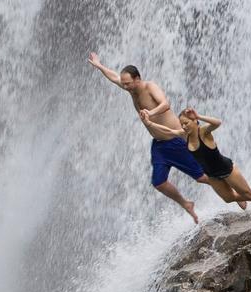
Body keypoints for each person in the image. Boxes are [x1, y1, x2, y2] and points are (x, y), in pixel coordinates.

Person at [87, 52, 215, 224]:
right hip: (159, 145)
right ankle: (187, 204)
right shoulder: (130, 90)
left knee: (201, 177)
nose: (125, 87)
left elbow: (165, 104)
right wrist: (99, 65)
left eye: (128, 84)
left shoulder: (149, 87)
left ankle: (231, 187)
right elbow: (113, 77)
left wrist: (150, 112)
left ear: (137, 79)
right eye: (124, 84)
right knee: (159, 182)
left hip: (175, 140)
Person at [142, 107, 251, 229]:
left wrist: (199, 116)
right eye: (182, 124)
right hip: (212, 175)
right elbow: (168, 130)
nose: (184, 126)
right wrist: (149, 123)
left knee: (248, 194)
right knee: (229, 198)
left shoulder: (204, 132)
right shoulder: (184, 135)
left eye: (187, 123)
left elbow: (217, 123)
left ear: (194, 121)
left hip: (227, 170)